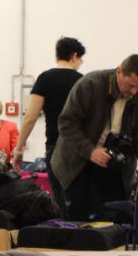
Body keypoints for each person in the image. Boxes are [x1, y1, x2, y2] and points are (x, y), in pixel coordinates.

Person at [51, 54, 138, 221]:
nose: (134, 92)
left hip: (115, 168)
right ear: (119, 72)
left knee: (114, 220)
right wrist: (90, 151)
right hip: (77, 164)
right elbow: (67, 124)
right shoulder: (90, 84)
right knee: (79, 221)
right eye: (131, 85)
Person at [11, 37, 85, 216]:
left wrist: (19, 149)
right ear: (74, 56)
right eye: (80, 59)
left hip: (55, 148)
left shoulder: (45, 79)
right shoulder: (83, 82)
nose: (80, 63)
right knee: (79, 205)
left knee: (59, 204)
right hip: (79, 150)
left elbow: (30, 118)